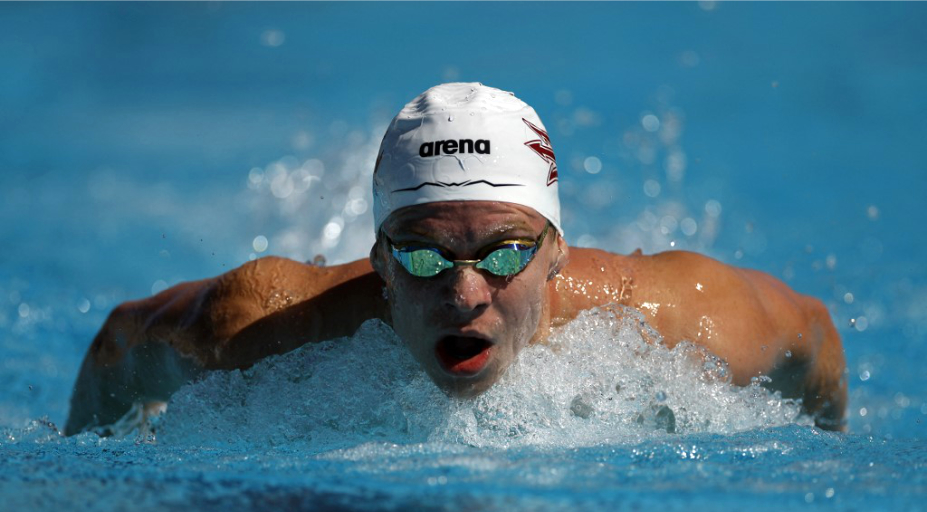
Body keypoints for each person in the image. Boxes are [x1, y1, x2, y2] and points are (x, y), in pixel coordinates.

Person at [65, 83, 847, 436]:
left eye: (506, 253)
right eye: (426, 258)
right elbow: (117, 345)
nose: (466, 293)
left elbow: (814, 341)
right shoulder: (260, 324)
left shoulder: (689, 319)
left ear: (556, 252)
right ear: (377, 260)